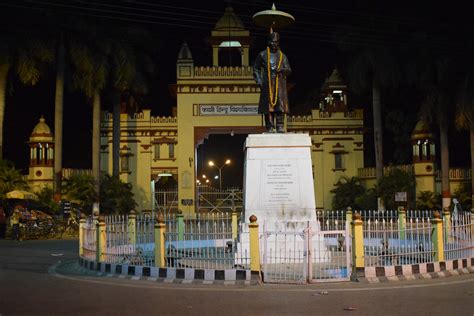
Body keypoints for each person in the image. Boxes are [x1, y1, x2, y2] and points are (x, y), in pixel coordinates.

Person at [253, 32, 292, 133]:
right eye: (272, 42)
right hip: (267, 84)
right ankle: (269, 126)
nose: (274, 44)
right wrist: (259, 81)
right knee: (268, 107)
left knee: (280, 105)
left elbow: (289, 69)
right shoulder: (262, 54)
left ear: (278, 43)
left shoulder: (283, 56)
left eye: (276, 42)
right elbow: (256, 68)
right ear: (268, 42)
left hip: (279, 84)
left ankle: (279, 126)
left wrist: (283, 70)